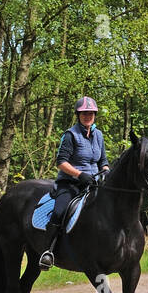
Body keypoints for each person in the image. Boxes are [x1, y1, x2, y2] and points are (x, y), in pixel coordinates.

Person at [39, 96, 109, 270]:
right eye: (84, 113)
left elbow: (103, 161)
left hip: (93, 183)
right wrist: (79, 174)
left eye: (91, 113)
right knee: (59, 211)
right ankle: (48, 252)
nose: (88, 116)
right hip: (70, 183)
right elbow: (61, 162)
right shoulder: (70, 135)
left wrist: (106, 171)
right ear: (78, 115)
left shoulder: (98, 135)